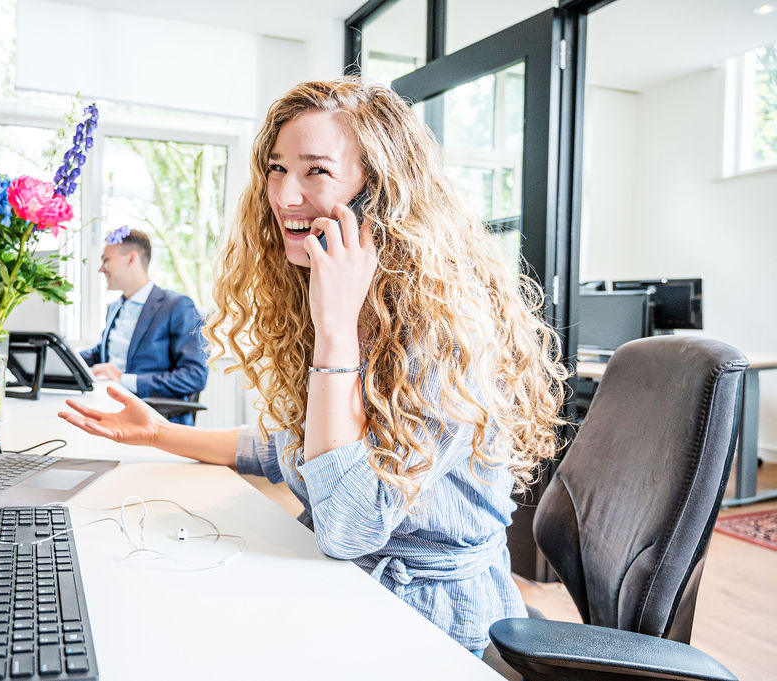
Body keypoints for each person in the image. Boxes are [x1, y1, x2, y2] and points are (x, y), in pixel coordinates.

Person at [60, 79, 567, 654]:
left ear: (379, 191)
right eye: (276, 169)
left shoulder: (445, 329)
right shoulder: (347, 295)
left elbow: (348, 525)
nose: (283, 194)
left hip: (431, 623)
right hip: (349, 584)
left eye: (315, 171)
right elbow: (297, 450)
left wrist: (335, 331)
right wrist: (160, 433)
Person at [79, 226, 208, 426]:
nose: (100, 268)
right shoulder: (115, 308)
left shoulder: (177, 306)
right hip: (107, 408)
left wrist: (123, 379)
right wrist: (62, 358)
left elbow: (194, 376)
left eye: (105, 260)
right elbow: (101, 355)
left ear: (131, 259)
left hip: (155, 420)